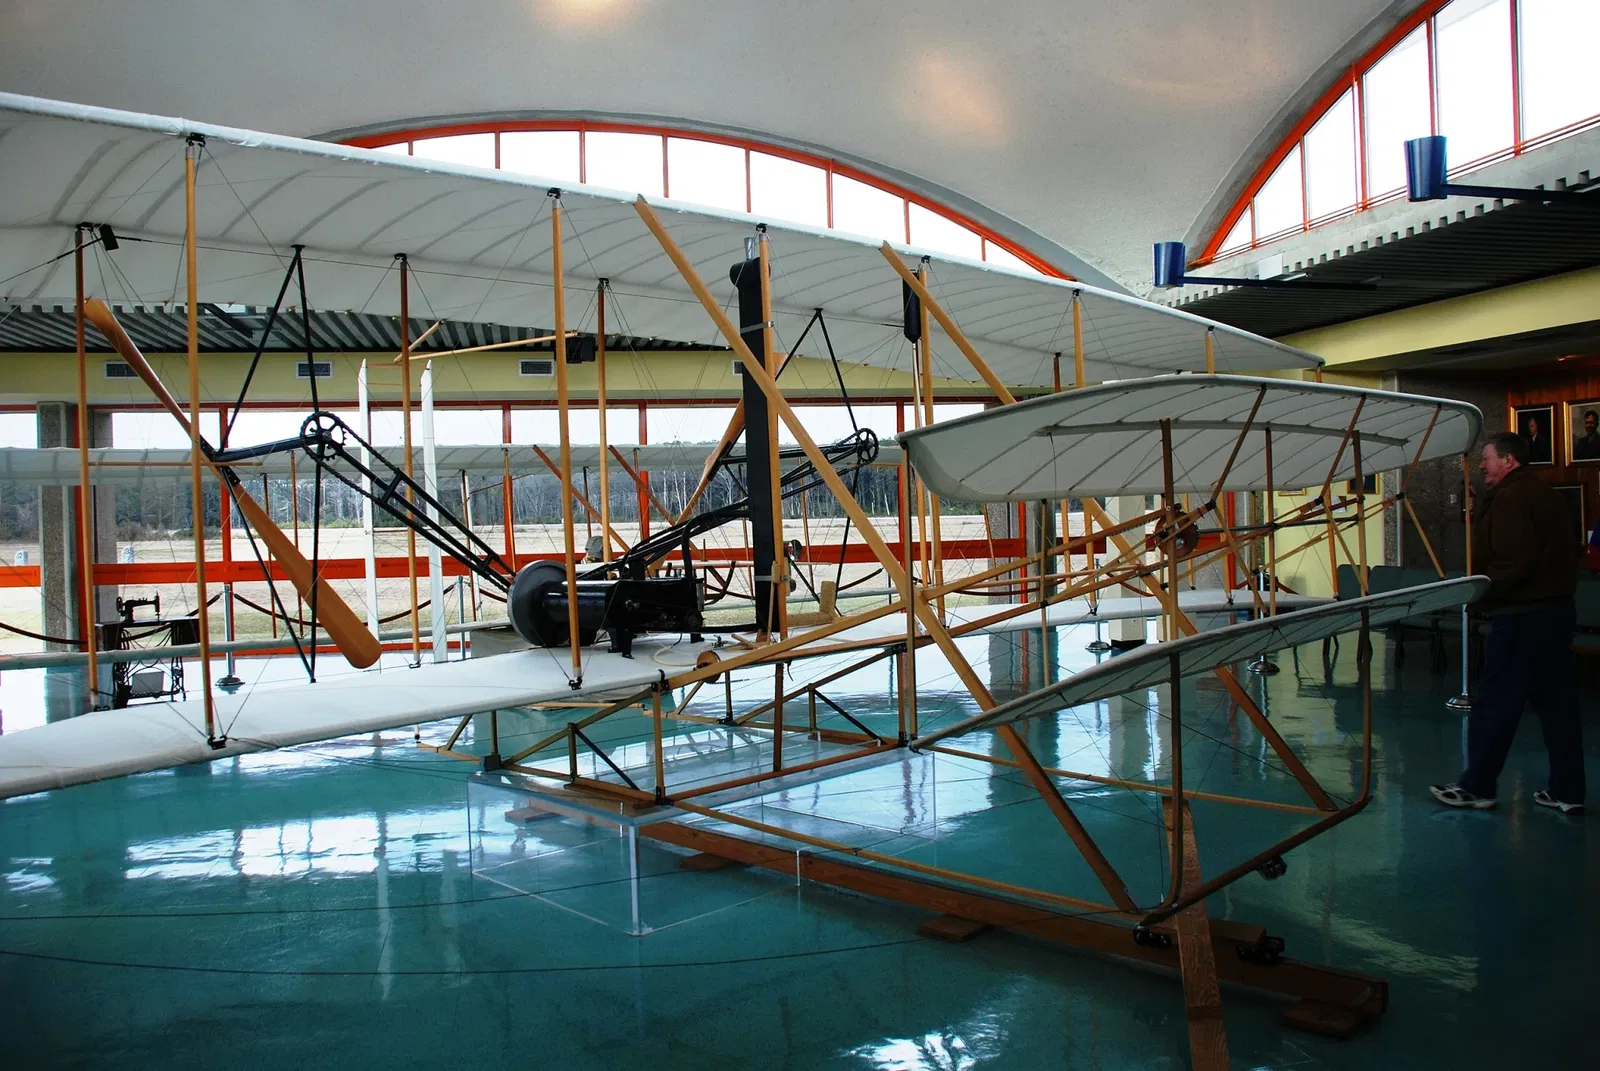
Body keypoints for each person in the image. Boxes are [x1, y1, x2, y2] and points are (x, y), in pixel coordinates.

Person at [1432, 432, 1586, 815]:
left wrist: (1479, 598)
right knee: (1558, 707)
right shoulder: (1548, 495)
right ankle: (1568, 791)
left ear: (1508, 461)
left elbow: (1512, 562)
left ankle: (1476, 786)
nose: (1482, 466)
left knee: (1496, 703)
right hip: (1556, 613)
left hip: (1521, 617)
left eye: (1487, 458)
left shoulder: (1511, 499)